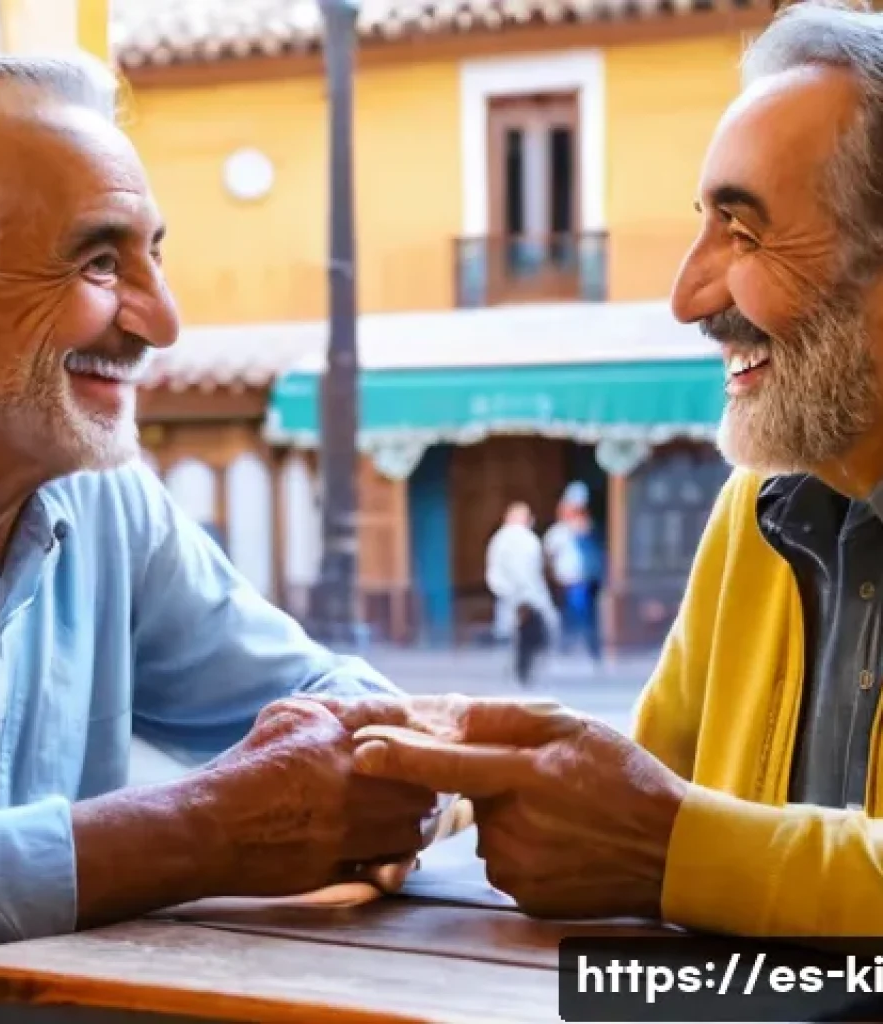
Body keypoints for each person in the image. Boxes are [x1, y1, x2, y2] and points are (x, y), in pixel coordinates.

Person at [0, 56, 436, 1019]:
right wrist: (187, 835)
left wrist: (400, 757)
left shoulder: (102, 499)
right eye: (98, 260)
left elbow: (318, 697)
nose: (163, 323)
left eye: (153, 253)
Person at [354, 1, 883, 938]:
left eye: (745, 233)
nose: (687, 296)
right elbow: (636, 786)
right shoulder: (756, 508)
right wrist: (443, 781)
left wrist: (674, 851)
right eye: (703, 224)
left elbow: (657, 827)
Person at [484, 502, 559, 684]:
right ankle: (524, 671)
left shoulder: (500, 539)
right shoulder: (523, 539)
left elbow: (494, 572)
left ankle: (517, 671)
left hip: (511, 596)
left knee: (513, 636)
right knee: (531, 635)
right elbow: (529, 572)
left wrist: (504, 590)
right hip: (527, 596)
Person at [542, 481, 604, 664]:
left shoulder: (587, 529)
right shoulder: (558, 532)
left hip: (588, 579)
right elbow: (548, 555)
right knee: (575, 614)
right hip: (569, 581)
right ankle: (572, 648)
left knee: (587, 615)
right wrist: (553, 576)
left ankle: (588, 649)